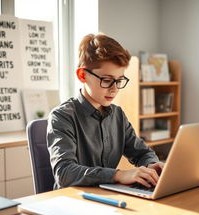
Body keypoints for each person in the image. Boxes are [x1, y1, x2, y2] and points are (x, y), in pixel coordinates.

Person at [47, 33, 163, 190]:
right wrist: (118, 175)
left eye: (119, 80)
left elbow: (142, 153)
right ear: (82, 75)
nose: (114, 89)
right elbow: (65, 173)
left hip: (108, 197)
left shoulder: (117, 115)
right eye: (107, 80)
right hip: (73, 203)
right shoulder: (61, 117)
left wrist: (152, 166)